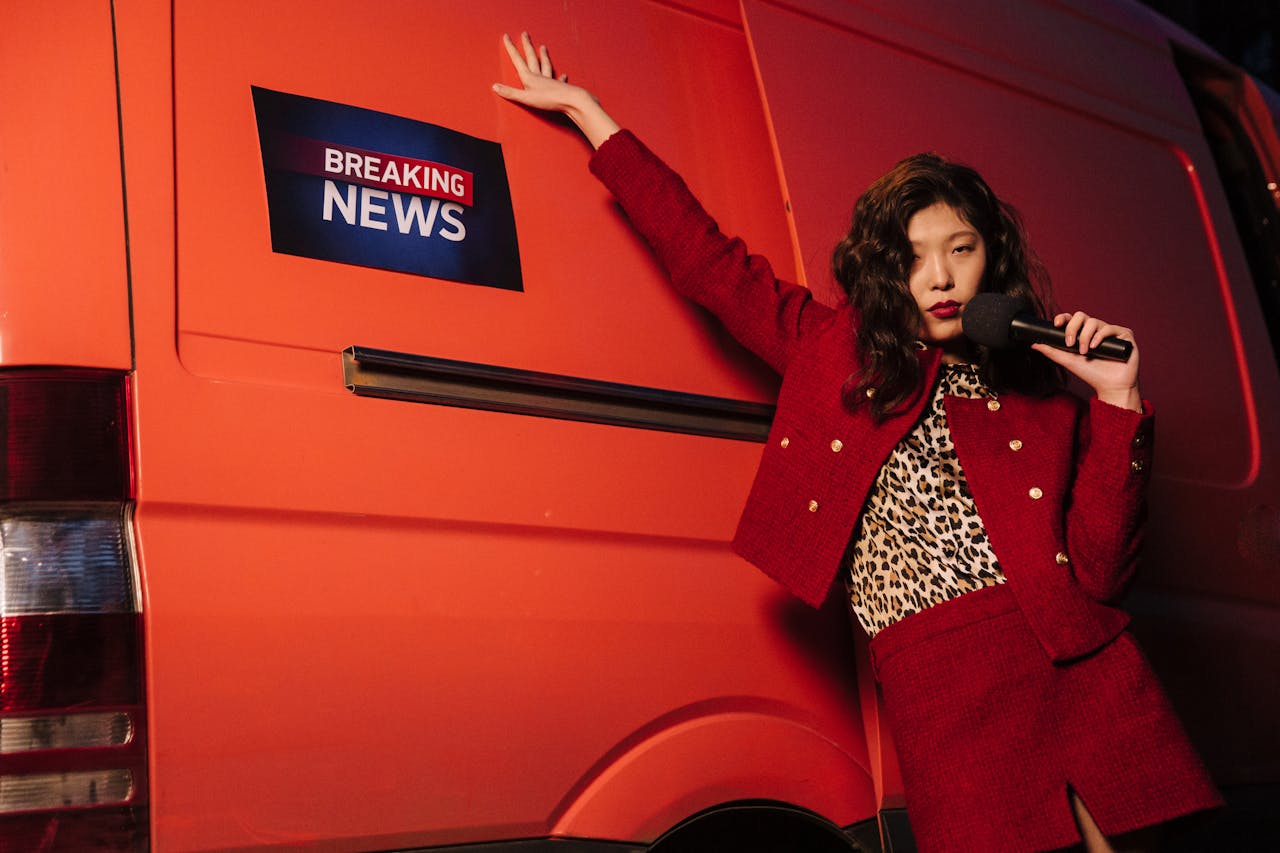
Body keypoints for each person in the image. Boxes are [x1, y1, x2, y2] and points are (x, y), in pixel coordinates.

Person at [493, 32, 1222, 853]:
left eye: (961, 249)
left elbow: (1101, 573)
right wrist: (595, 118)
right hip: (942, 683)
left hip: (1078, 666)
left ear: (992, 256)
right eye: (914, 259)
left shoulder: (1041, 394)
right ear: (885, 272)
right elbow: (709, 263)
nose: (941, 279)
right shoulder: (836, 355)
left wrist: (1118, 402)